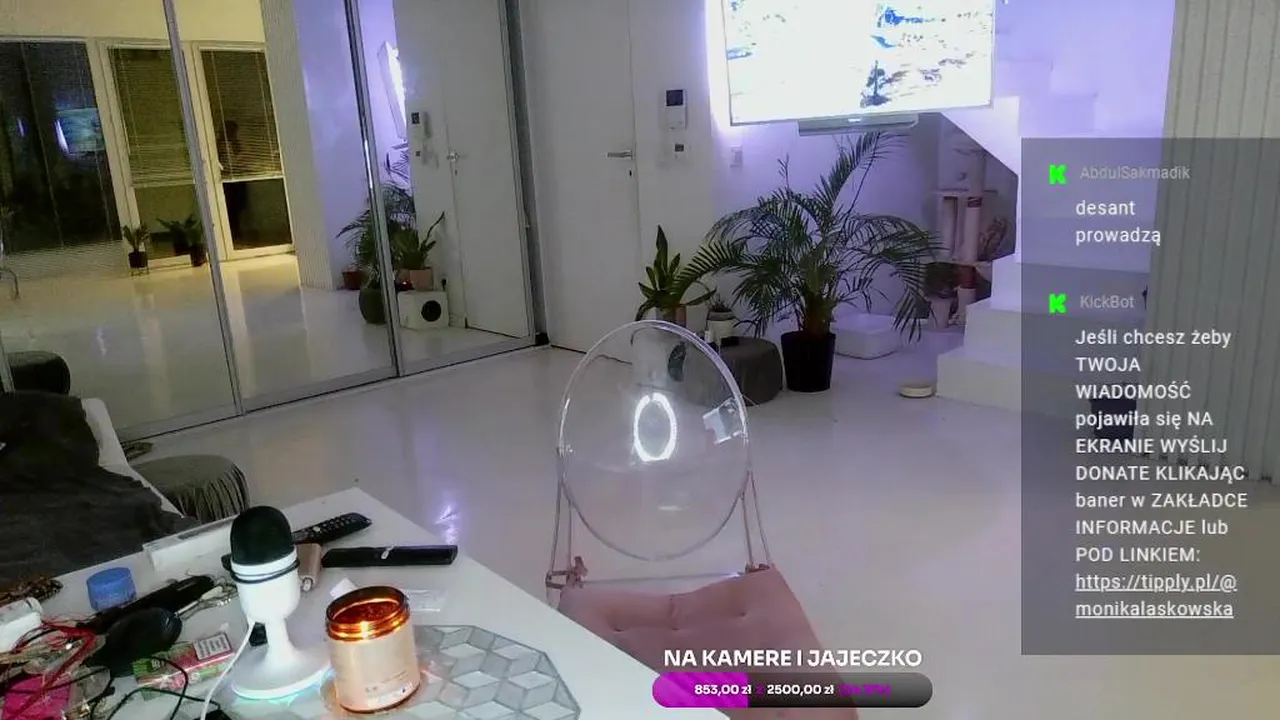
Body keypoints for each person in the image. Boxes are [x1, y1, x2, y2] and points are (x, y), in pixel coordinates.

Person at [217, 120, 248, 243]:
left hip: (237, 178)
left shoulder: (236, 143)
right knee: (229, 207)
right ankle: (231, 235)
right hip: (225, 180)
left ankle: (237, 232)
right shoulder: (218, 144)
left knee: (238, 206)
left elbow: (243, 157)